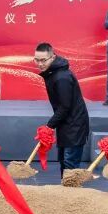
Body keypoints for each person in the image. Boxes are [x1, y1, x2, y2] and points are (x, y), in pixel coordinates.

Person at [34, 42, 90, 180]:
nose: (40, 64)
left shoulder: (61, 77)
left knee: (70, 165)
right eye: (37, 60)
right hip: (65, 123)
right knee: (64, 162)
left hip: (75, 125)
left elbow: (65, 106)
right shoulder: (53, 72)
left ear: (52, 57)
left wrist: (49, 126)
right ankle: (65, 190)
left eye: (43, 60)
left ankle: (71, 192)